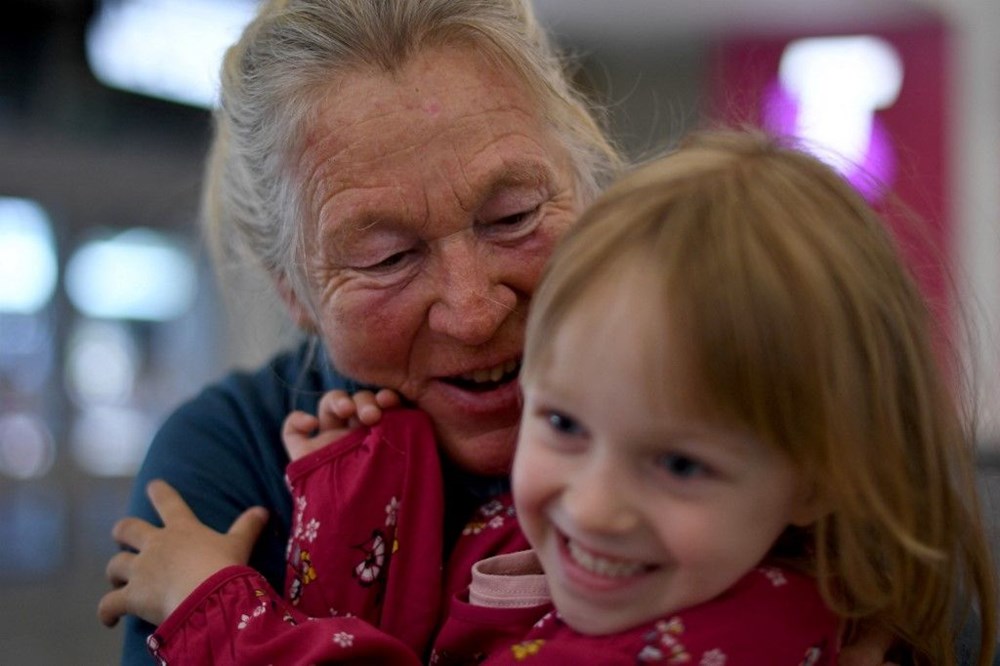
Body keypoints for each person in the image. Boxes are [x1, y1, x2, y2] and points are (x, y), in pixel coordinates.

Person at [95, 0, 948, 662]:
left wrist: (216, 606)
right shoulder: (233, 456)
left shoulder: (757, 381)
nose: (476, 310)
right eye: (388, 259)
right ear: (297, 294)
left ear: (590, 187)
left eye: (512, 216)